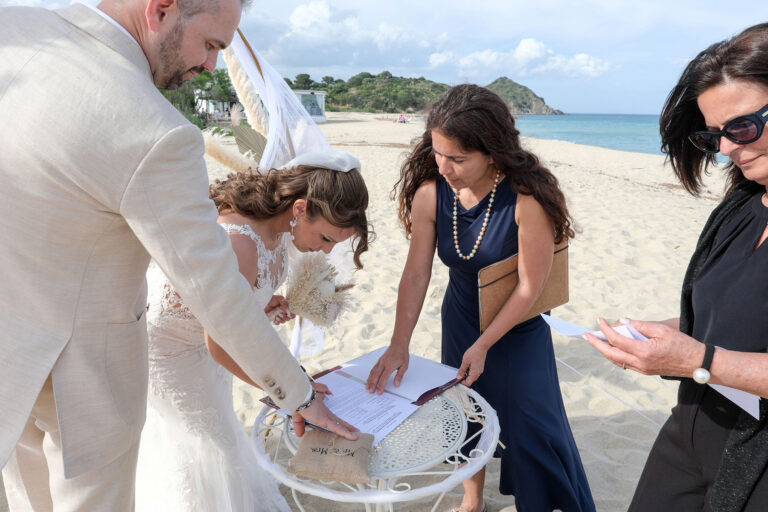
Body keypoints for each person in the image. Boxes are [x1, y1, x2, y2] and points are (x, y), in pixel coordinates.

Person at [0, 1, 354, 510]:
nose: (211, 65)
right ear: (161, 9)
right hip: (83, 385)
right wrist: (299, 394)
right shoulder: (156, 130)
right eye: (210, 44)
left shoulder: (13, 29)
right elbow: (216, 292)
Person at [366, 84, 595, 512]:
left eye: (457, 158)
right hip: (460, 318)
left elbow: (530, 286)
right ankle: (472, 501)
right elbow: (415, 274)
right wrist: (399, 344)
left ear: (491, 153)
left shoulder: (526, 199)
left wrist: (485, 343)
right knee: (466, 415)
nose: (444, 167)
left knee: (530, 427)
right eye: (438, 153)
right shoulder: (431, 194)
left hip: (518, 326)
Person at [585, 23, 768, 512]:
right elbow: (722, 317)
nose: (725, 149)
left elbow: (706, 353)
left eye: (742, 128)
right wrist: (651, 335)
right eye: (715, 135)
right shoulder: (741, 207)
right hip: (689, 431)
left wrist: (698, 362)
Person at [136, 151, 369, 511]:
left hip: (208, 343)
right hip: (175, 353)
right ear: (300, 209)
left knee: (220, 437)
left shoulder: (279, 229)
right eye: (326, 238)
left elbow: (227, 299)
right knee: (211, 445)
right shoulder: (239, 241)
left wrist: (261, 302)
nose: (326, 251)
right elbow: (219, 344)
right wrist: (292, 394)